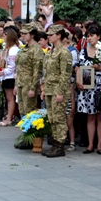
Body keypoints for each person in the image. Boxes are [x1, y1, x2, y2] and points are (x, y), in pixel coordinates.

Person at [75, 23, 101, 154]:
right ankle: (90, 144)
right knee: (90, 116)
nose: (89, 38)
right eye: (88, 36)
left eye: (92, 35)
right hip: (87, 87)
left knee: (100, 116)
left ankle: (100, 144)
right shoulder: (83, 51)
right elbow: (79, 67)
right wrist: (78, 81)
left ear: (99, 36)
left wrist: (100, 68)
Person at [41, 24, 73, 157]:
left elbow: (65, 74)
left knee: (59, 118)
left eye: (51, 35)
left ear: (59, 35)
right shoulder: (50, 52)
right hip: (49, 89)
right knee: (52, 117)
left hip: (59, 90)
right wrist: (43, 89)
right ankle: (55, 143)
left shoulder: (64, 52)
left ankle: (60, 145)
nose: (48, 37)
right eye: (48, 35)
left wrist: (60, 92)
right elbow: (46, 72)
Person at [15, 23, 45, 131]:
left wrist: (33, 88)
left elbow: (37, 70)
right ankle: (25, 133)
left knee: (29, 110)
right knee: (22, 109)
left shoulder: (36, 49)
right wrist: (16, 84)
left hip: (29, 84)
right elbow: (18, 68)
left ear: (32, 35)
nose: (22, 35)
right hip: (21, 82)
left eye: (25, 33)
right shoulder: (24, 48)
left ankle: (30, 134)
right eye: (22, 33)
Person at [0, 27, 19, 126]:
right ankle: (9, 115)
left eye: (5, 36)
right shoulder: (7, 48)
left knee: (10, 98)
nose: (3, 37)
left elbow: (12, 66)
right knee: (8, 98)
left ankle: (9, 118)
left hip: (10, 76)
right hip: (6, 76)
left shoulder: (13, 49)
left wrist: (3, 72)